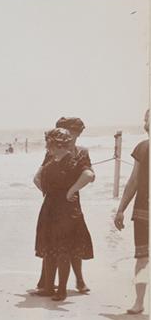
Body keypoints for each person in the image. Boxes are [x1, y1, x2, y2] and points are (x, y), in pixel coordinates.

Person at [33, 128, 95, 301]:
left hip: (65, 211)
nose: (47, 147)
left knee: (63, 251)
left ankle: (61, 290)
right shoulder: (55, 162)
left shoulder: (72, 163)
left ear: (57, 145)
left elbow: (89, 174)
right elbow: (37, 179)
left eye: (49, 144)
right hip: (54, 208)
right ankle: (49, 288)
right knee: (50, 250)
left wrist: (70, 190)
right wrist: (64, 192)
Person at [114, 108, 150, 314]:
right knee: (142, 257)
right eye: (146, 119)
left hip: (144, 210)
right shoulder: (143, 148)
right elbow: (134, 181)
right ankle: (139, 301)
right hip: (143, 210)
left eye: (148, 119)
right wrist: (121, 209)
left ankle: (139, 302)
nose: (145, 123)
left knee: (143, 259)